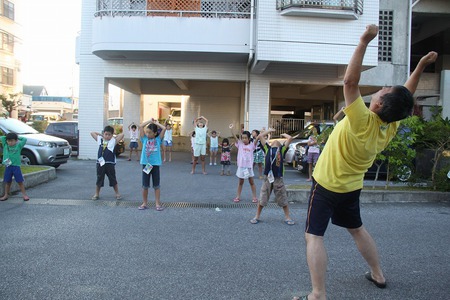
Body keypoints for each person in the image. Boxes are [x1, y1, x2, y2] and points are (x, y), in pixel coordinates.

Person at [294, 25, 438, 300]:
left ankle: (318, 293)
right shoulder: (389, 125)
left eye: (384, 90)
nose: (383, 88)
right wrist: (419, 65)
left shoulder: (363, 119)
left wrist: (364, 41)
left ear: (379, 105)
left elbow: (349, 82)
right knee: (356, 229)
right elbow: (404, 96)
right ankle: (378, 274)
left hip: (326, 186)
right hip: (351, 188)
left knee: (314, 236)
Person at [250, 128, 294, 225]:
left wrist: (284, 134)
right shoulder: (267, 148)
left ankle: (287, 217)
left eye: (277, 141)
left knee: (282, 197)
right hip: (267, 177)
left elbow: (290, 138)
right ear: (270, 143)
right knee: (263, 197)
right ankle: (257, 216)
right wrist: (269, 131)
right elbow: (260, 136)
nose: (275, 141)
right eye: (273, 141)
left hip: (278, 177)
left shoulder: (282, 149)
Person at [138, 118, 166, 211]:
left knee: (156, 185)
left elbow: (164, 129)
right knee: (145, 185)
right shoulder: (144, 139)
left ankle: (157, 203)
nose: (147, 134)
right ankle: (144, 203)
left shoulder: (158, 140)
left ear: (155, 133)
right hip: (147, 165)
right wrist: (150, 121)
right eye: (147, 132)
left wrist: (156, 123)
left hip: (155, 165)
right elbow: (141, 126)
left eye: (150, 132)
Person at [91, 126, 124, 200]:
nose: (107, 136)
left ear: (112, 135)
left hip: (110, 163)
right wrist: (101, 135)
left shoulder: (113, 141)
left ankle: (117, 193)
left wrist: (114, 135)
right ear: (103, 134)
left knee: (113, 178)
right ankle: (97, 194)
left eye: (109, 135)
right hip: (100, 163)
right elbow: (92, 133)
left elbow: (122, 135)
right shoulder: (100, 140)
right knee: (99, 178)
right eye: (106, 134)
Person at [230, 124, 258, 203]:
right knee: (240, 182)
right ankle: (238, 197)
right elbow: (235, 137)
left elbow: (257, 138)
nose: (244, 139)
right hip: (241, 167)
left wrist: (263, 132)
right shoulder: (240, 144)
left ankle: (254, 197)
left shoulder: (252, 145)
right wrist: (231, 129)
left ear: (249, 138)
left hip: (249, 167)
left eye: (246, 138)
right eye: (243, 138)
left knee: (251, 182)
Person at [0, 133, 29, 201]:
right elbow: (2, 138)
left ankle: (24, 195)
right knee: (7, 181)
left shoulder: (18, 146)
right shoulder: (5, 145)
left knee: (20, 181)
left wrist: (17, 137)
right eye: (8, 140)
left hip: (16, 166)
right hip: (8, 166)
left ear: (16, 141)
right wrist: (8, 136)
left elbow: (24, 139)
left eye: (12, 140)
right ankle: (6, 195)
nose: (10, 142)